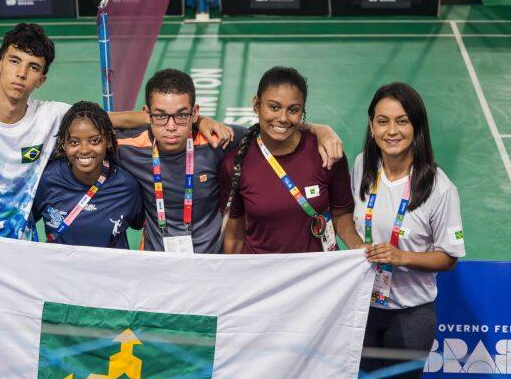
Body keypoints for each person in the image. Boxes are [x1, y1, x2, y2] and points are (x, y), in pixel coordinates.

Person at [0, 24, 230, 237]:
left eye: (33, 67)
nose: (21, 73)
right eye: (14, 61)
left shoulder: (54, 117)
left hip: (19, 251)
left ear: (42, 79)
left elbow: (118, 119)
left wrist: (197, 122)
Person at [350, 83, 465, 379]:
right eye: (383, 121)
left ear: (416, 127)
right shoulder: (362, 166)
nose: (392, 130)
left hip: (410, 313)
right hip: (364, 308)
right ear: (371, 125)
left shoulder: (438, 187)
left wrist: (401, 257)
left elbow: (449, 256)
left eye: (401, 121)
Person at [117, 68, 346, 254]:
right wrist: (201, 120)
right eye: (160, 116)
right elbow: (96, 122)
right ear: (147, 114)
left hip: (213, 267)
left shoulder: (218, 140)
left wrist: (319, 129)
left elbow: (275, 128)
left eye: (182, 115)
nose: (171, 126)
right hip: (158, 265)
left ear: (194, 113)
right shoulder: (127, 148)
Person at [219, 66, 363, 254]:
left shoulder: (326, 154)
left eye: (293, 110)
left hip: (317, 270)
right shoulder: (236, 165)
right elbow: (235, 237)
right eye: (274, 107)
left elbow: (341, 214)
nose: (283, 118)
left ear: (302, 111)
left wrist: (360, 248)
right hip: (261, 270)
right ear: (256, 105)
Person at [33, 101, 142, 248]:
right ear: (63, 143)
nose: (84, 150)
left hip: (111, 264)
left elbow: (138, 224)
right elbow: (25, 221)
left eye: (94, 141)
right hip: (59, 264)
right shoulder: (47, 180)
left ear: (108, 140)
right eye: (74, 142)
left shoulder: (127, 187)